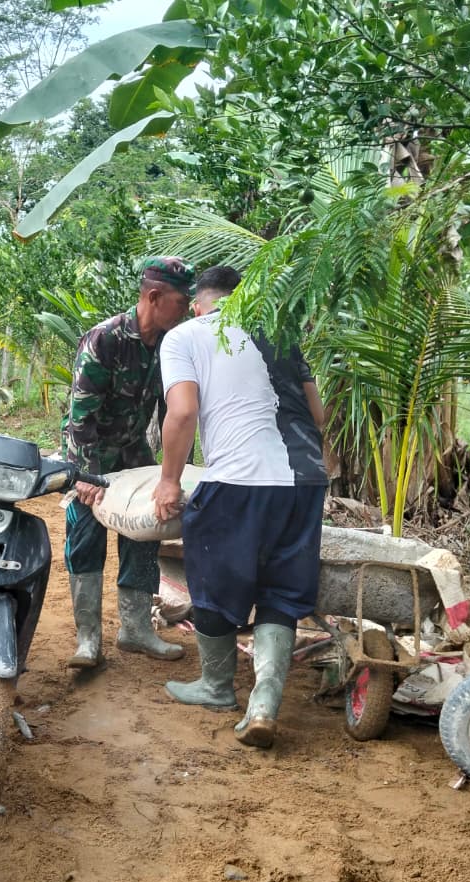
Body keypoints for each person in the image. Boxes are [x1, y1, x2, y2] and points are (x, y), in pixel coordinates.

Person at [151, 272, 329, 747]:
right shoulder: (281, 334)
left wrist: (169, 479)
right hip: (306, 480)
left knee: (210, 579)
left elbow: (183, 412)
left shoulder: (185, 337)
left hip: (240, 480)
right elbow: (317, 415)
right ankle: (264, 704)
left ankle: (215, 687)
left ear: (197, 306)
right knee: (282, 591)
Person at [64, 256, 196, 670]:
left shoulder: (173, 346)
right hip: (91, 454)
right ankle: (88, 639)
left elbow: (177, 413)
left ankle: (135, 629)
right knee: (86, 537)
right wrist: (85, 475)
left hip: (134, 454)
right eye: (180, 301)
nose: (186, 309)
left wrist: (175, 475)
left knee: (145, 534)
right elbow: (79, 416)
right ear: (154, 297)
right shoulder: (105, 339)